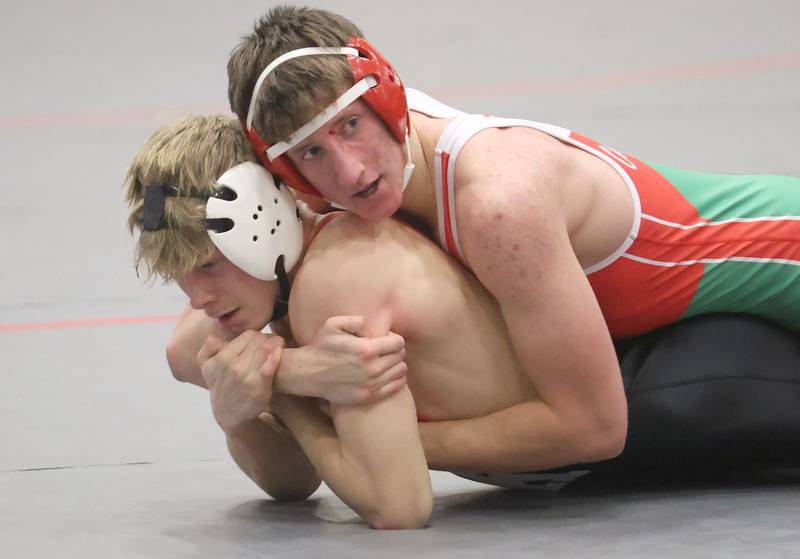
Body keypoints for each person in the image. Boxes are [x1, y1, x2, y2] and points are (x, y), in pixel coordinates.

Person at [210, 5, 800, 472]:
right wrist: (283, 379)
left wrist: (380, 444)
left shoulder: (497, 206)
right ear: (286, 175)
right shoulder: (343, 173)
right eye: (312, 152)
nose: (350, 173)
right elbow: (194, 336)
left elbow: (594, 429)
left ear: (386, 94)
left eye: (352, 126)